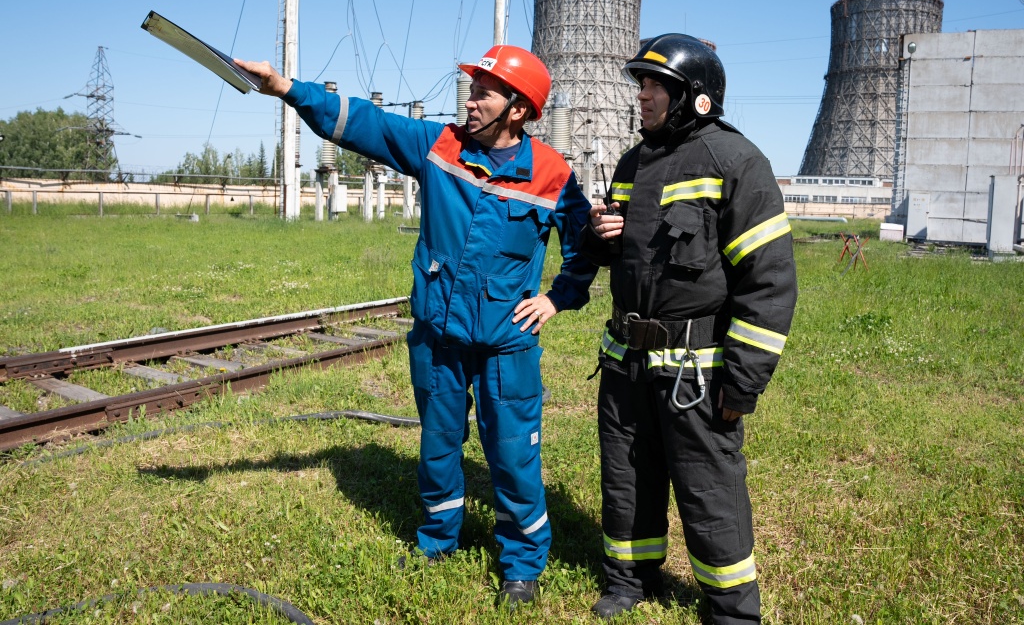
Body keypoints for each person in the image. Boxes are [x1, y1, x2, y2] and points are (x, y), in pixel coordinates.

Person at [235, 46, 598, 608]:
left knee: (514, 454)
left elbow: (587, 246)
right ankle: (437, 542)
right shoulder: (439, 146)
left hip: (507, 346)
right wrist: (287, 88)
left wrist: (557, 298)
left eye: (484, 92)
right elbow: (363, 123)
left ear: (518, 110)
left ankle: (522, 563)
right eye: (472, 88)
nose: (470, 101)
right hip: (437, 337)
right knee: (437, 447)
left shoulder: (552, 174)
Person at [582, 34, 797, 624]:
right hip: (626, 365)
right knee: (626, 478)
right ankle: (628, 580)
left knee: (709, 492)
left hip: (696, 375)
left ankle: (730, 611)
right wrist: (597, 235)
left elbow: (769, 281)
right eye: (642, 86)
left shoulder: (736, 162)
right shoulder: (632, 163)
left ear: (694, 98)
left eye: (654, 87)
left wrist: (744, 380)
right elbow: (614, 251)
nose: (642, 98)